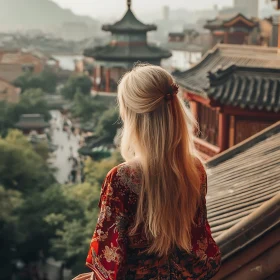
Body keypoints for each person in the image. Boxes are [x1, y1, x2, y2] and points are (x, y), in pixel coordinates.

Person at [73, 64, 221, 280]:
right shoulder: (195, 169)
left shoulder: (121, 179)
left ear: (131, 115)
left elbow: (109, 261)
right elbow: (201, 245)